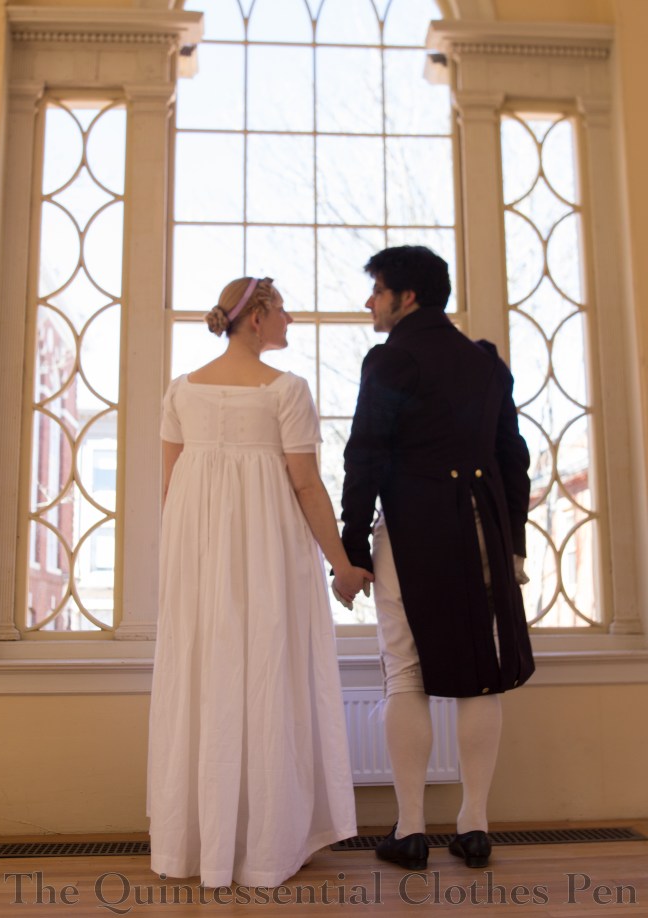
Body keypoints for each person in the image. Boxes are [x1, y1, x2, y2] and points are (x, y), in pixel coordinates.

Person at [148, 276, 370, 888]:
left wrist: (188, 563)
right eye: (282, 311)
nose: (289, 320)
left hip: (199, 562)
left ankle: (202, 841)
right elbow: (306, 485)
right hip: (269, 558)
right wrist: (342, 564)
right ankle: (267, 840)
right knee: (272, 675)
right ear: (257, 317)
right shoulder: (286, 391)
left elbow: (171, 487)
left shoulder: (181, 391)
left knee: (206, 679)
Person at [336, 245, 535, 871]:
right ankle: (474, 827)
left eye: (377, 290)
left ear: (408, 296)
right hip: (482, 528)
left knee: (405, 671)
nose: (369, 301)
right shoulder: (485, 362)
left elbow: (364, 455)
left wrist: (352, 546)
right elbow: (513, 460)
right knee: (482, 673)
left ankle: (412, 830)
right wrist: (513, 542)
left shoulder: (391, 360)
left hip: (412, 530)